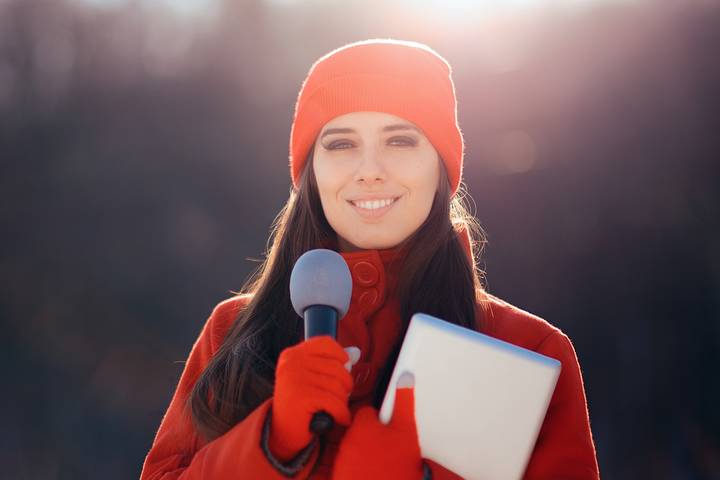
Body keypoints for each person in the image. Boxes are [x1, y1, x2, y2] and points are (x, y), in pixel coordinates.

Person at [140, 38, 600, 480]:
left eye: (400, 141)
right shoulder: (234, 332)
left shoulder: (526, 349)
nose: (370, 170)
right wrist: (270, 443)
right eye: (340, 144)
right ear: (311, 173)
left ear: (440, 166)